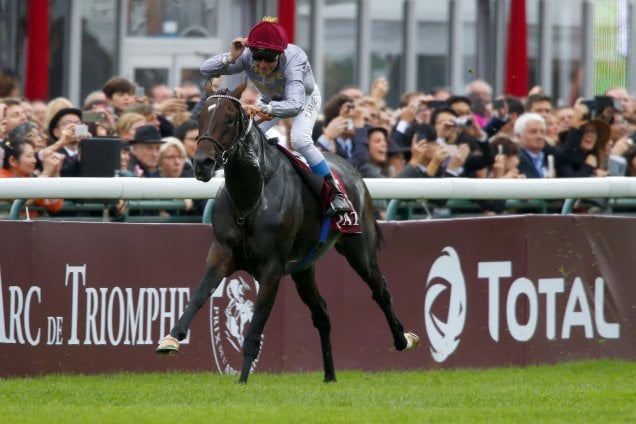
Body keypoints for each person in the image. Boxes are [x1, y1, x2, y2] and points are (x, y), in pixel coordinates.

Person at [199, 16, 350, 215]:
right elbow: (205, 69)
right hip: (271, 97)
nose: (262, 65)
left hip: (303, 98)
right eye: (257, 58)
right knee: (248, 136)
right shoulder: (247, 55)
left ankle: (336, 193)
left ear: (280, 54)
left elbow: (294, 105)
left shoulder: (294, 59)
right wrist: (231, 57)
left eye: (269, 59)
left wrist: (263, 109)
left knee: (300, 140)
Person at [0, 139, 64, 218]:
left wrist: (55, 172)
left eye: (34, 156)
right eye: (29, 156)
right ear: (13, 161)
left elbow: (55, 205)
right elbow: (24, 200)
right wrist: (46, 173)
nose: (34, 160)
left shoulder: (28, 179)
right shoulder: (2, 177)